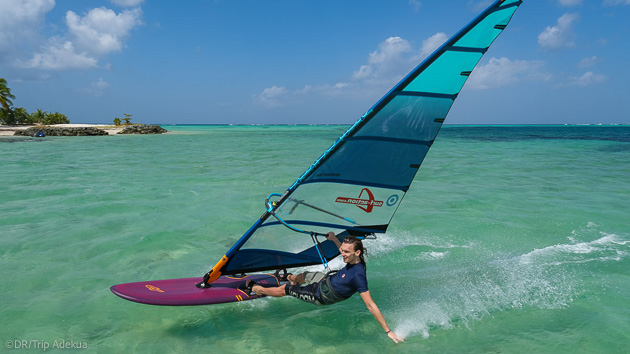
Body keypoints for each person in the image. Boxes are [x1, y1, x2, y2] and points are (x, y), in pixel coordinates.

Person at [246, 231, 404, 343]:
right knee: (305, 275)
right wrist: (335, 238)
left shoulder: (358, 275)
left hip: (320, 295)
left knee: (286, 290)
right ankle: (290, 278)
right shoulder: (353, 258)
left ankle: (256, 289)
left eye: (346, 252)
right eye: (342, 251)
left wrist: (388, 331)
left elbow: (370, 305)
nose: (342, 254)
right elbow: (342, 249)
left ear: (357, 252)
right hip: (325, 280)